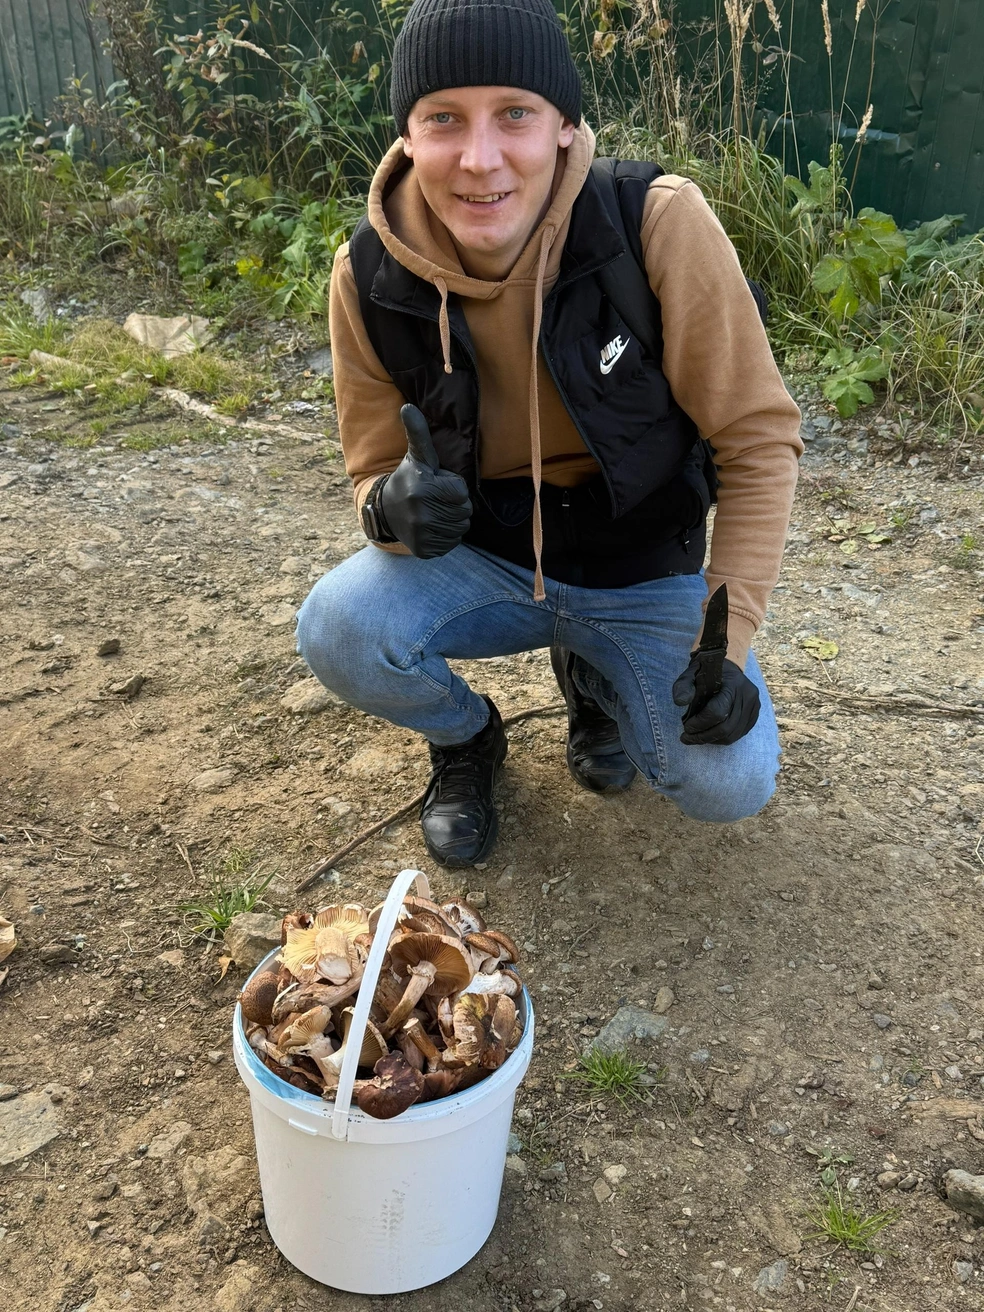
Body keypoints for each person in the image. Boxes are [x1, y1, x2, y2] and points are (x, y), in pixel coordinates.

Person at [296, 0, 803, 868]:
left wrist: (728, 640)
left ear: (566, 127)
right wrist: (392, 509)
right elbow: (373, 473)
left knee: (729, 780)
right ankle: (467, 739)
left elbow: (757, 442)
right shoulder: (365, 274)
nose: (480, 157)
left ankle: (595, 683)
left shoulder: (653, 223)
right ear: (408, 136)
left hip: (643, 563)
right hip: (484, 559)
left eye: (516, 114)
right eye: (443, 118)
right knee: (338, 627)